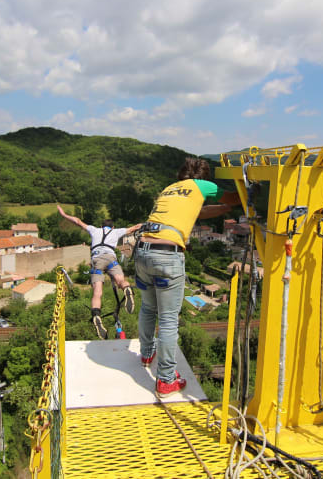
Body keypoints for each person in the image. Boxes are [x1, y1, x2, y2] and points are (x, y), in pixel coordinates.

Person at [134, 157, 240, 398]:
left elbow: (196, 212)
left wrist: (221, 211)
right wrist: (247, 190)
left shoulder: (170, 189)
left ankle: (146, 354)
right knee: (169, 320)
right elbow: (233, 198)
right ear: (203, 178)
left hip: (142, 251)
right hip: (167, 257)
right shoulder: (201, 186)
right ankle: (166, 381)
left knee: (149, 308)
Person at [57, 205, 142, 339]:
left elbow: (78, 221)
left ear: (102, 227)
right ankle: (127, 289)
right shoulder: (116, 232)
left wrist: (64, 215)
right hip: (110, 258)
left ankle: (96, 315)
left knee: (97, 292)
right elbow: (134, 228)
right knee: (120, 280)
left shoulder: (94, 230)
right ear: (112, 227)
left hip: (96, 260)